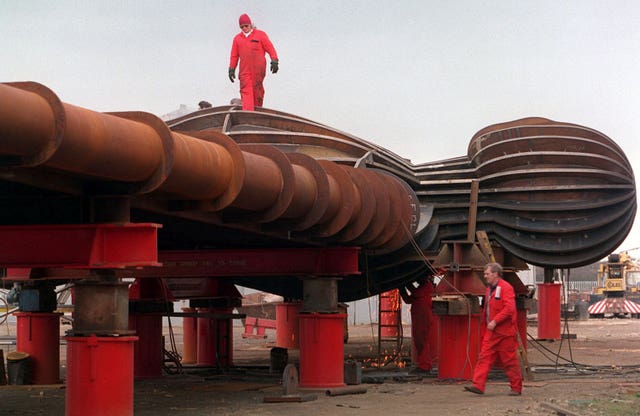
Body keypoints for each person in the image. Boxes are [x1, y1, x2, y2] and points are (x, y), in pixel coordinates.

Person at [464, 262, 522, 395]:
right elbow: (488, 308)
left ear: (495, 274)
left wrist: (495, 321)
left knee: (509, 361)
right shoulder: (490, 289)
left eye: (487, 274)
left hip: (505, 332)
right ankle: (478, 385)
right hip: (492, 331)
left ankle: (516, 388)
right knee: (484, 357)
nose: (485, 276)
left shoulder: (506, 288)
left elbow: (509, 308)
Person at [228, 13, 279, 111]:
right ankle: (248, 114)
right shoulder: (237, 39)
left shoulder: (260, 35)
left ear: (250, 24)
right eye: (241, 27)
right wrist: (231, 68)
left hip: (258, 71)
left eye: (246, 26)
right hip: (245, 72)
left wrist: (274, 60)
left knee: (258, 94)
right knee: (246, 93)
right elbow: (234, 56)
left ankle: (257, 113)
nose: (244, 28)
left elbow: (270, 48)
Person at [399, 276, 434, 375]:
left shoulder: (427, 286)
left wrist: (406, 283)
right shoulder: (420, 289)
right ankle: (423, 364)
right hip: (418, 318)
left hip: (423, 318)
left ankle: (425, 366)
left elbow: (416, 293)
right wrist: (402, 289)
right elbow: (408, 300)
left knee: (422, 341)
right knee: (419, 342)